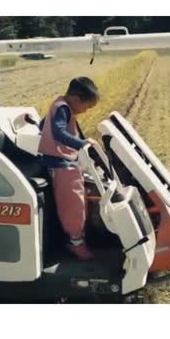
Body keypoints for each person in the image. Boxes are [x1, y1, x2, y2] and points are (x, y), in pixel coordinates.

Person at [38, 77, 100, 261]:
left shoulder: (59, 105)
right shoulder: (63, 108)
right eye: (86, 106)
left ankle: (77, 239)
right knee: (73, 205)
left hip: (61, 161)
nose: (85, 111)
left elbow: (44, 125)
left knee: (76, 201)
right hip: (61, 164)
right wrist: (82, 143)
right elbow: (58, 132)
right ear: (75, 99)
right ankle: (76, 243)